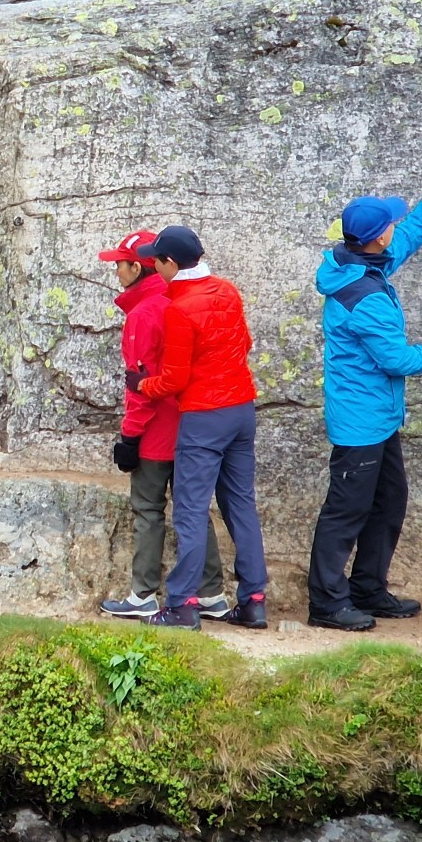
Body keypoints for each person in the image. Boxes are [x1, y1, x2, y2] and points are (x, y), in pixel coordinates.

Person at [307, 188, 422, 631]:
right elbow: (393, 359)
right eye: (390, 223)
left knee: (389, 502)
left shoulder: (358, 263)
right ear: (377, 239)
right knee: (346, 511)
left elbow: (403, 239)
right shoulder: (366, 297)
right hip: (360, 423)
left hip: (378, 417)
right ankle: (327, 604)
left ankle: (368, 588)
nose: (396, 226)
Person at [136, 226, 268, 629]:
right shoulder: (226, 291)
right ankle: (253, 600)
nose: (153, 266)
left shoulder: (178, 309)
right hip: (241, 409)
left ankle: (183, 605)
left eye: (156, 260)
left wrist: (143, 384)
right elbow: (243, 343)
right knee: (241, 505)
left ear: (171, 264)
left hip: (204, 416)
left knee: (191, 510)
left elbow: (173, 381)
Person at [96, 230, 229, 619]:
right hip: (192, 426)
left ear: (138, 267)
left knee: (148, 509)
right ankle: (212, 595)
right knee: (193, 510)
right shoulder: (179, 300)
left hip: (156, 432)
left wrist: (129, 437)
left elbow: (140, 387)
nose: (116, 272)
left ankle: (143, 594)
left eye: (119, 265)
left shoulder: (141, 314)